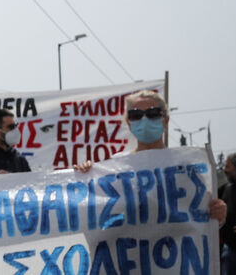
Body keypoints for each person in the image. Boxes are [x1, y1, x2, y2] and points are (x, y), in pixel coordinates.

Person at [74, 90, 227, 222]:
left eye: (152, 114)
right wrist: (86, 176)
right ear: (129, 123)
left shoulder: (185, 168)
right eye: (136, 115)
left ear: (165, 120)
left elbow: (203, 215)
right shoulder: (116, 167)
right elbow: (96, 213)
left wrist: (219, 214)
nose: (144, 120)